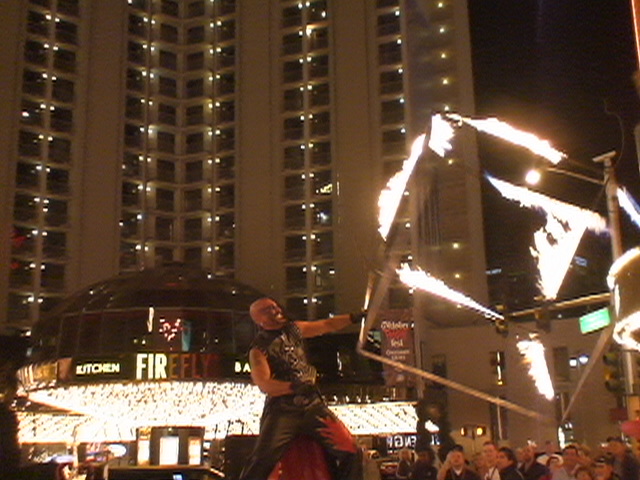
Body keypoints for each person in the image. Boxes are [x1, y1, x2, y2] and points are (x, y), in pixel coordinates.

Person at [238, 297, 362, 480]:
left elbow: (326, 325)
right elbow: (264, 383)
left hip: (311, 405)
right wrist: (294, 387)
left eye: (274, 306)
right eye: (267, 309)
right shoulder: (259, 349)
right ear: (259, 319)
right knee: (262, 460)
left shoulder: (293, 330)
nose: (275, 310)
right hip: (284, 410)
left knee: (350, 449)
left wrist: (353, 317)